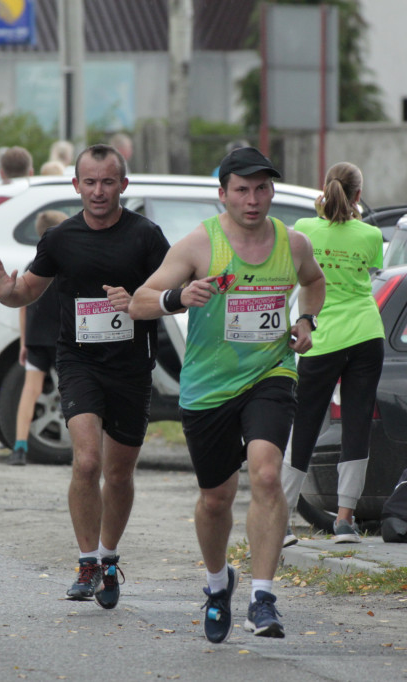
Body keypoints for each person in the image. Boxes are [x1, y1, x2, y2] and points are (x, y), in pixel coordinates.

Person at [130, 147, 325, 643]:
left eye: (262, 188)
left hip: (270, 374)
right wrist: (179, 297)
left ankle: (263, 598)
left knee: (264, 473)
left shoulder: (293, 242)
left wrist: (305, 319)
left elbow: (314, 282)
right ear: (223, 194)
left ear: (272, 192)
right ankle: (219, 585)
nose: (253, 199)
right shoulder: (200, 244)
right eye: (241, 189)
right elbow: (139, 302)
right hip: (209, 385)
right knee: (216, 499)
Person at [0, 144, 170, 609]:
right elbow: (27, 290)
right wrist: (6, 293)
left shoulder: (146, 236)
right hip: (79, 362)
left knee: (120, 473)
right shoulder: (61, 238)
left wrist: (143, 297)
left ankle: (108, 557)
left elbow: (171, 289)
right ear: (76, 185)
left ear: (123, 185)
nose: (98, 191)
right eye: (90, 182)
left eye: (108, 182)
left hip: (131, 367)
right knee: (87, 462)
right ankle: (86, 561)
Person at [282, 162, 384, 546]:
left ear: (323, 189)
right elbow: (368, 273)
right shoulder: (371, 234)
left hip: (319, 336)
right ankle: (344, 521)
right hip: (365, 334)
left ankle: (283, 518)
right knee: (357, 424)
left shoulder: (305, 230)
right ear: (358, 195)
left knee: (304, 425)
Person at [9, 209, 68, 466]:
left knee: (30, 390)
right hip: (64, 339)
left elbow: (22, 305)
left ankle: (19, 447)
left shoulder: (33, 266)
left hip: (35, 338)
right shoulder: (70, 264)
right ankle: (80, 450)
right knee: (69, 392)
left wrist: (24, 342)